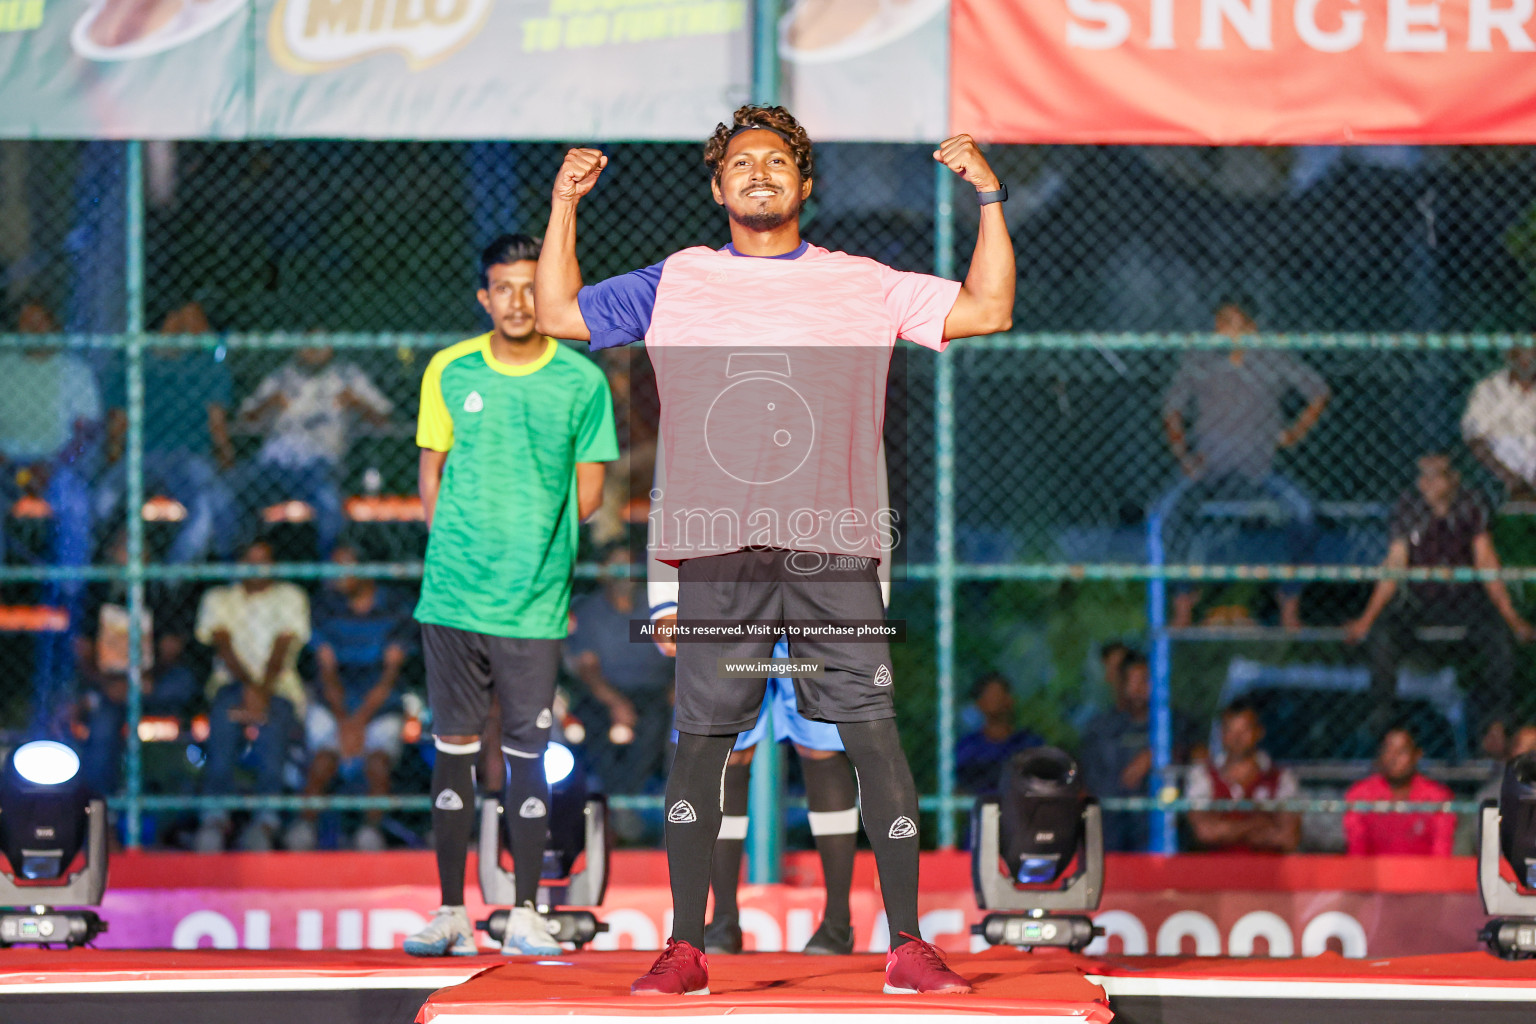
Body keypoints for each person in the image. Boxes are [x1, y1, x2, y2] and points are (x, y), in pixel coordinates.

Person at [535, 104, 1015, 994]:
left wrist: (989, 197)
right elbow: (561, 312)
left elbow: (987, 309)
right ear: (718, 188)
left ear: (806, 183)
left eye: (777, 160)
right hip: (717, 552)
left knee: (872, 737)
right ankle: (686, 946)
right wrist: (566, 203)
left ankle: (906, 943)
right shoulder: (677, 278)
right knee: (701, 746)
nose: (759, 172)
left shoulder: (862, 281)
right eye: (741, 163)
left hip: (836, 548)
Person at [403, 234, 617, 959]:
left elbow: (589, 497)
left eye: (531, 287)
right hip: (453, 600)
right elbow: (430, 471)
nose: (519, 302)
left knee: (530, 756)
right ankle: (449, 914)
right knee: (453, 752)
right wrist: (456, 545)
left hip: (532, 603)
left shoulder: (581, 382)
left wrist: (533, 542)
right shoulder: (449, 368)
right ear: (483, 297)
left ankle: (525, 912)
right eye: (504, 288)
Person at [1155, 296, 1330, 630]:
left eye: (1232, 322)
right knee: (1165, 513)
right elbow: (1171, 410)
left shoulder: (1272, 357)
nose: (1223, 330)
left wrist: (1293, 433)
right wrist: (1184, 456)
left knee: (1304, 512)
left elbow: (1319, 392)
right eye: (1219, 322)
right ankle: (1183, 603)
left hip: (1260, 467)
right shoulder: (1200, 358)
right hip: (1208, 466)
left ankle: (1289, 602)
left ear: (1251, 326)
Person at [1344, 452, 1532, 752]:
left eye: (1435, 475)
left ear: (1453, 478)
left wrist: (1511, 616)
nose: (1426, 483)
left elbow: (1486, 560)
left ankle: (1497, 718)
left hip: (1465, 599)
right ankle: (1384, 711)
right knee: (1383, 630)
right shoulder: (1409, 506)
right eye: (1422, 476)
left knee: (1499, 633)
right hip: (1424, 600)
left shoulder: (1471, 503)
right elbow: (1394, 563)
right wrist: (1366, 619)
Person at [0, 299, 101, 735]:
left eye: (40, 321)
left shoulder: (74, 369)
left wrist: (51, 465)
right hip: (6, 461)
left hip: (54, 464)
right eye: (25, 322)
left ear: (55, 327)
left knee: (75, 501)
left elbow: (87, 430)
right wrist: (10, 466)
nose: (32, 328)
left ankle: (69, 584)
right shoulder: (4, 363)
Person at [285, 544, 416, 852]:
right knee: (322, 760)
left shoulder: (397, 606)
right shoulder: (325, 606)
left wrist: (358, 723)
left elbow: (389, 675)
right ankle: (305, 828)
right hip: (335, 703)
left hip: (379, 703)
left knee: (378, 763)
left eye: (344, 567)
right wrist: (344, 721)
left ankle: (370, 833)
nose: (336, 577)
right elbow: (326, 671)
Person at [95, 300, 237, 564]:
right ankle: (111, 571)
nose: (188, 326)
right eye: (182, 318)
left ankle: (170, 583)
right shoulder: (134, 361)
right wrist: (114, 454)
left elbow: (216, 423)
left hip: (188, 456)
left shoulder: (206, 365)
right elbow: (119, 420)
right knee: (104, 498)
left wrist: (225, 458)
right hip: (142, 454)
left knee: (207, 507)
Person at [192, 538, 310, 852]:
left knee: (274, 732)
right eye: (250, 559)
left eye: (264, 559)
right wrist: (249, 689)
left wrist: (262, 691)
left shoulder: (290, 596)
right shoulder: (219, 598)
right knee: (222, 735)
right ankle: (214, 820)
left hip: (279, 684)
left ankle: (265, 822)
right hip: (232, 683)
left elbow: (284, 647)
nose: (257, 567)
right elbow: (223, 645)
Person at [235, 344, 392, 557]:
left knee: (329, 504)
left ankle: (329, 576)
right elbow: (244, 419)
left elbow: (384, 419)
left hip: (320, 464)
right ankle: (239, 567)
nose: (315, 351)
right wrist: (268, 404)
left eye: (321, 345)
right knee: (231, 494)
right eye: (309, 344)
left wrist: (355, 401)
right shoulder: (282, 376)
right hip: (275, 463)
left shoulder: (347, 375)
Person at [73, 531, 199, 796]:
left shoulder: (159, 593)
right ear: (111, 555)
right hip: (110, 685)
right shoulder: (97, 592)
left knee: (183, 682)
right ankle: (101, 807)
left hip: (150, 682)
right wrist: (107, 683)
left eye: (140, 550)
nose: (132, 557)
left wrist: (147, 677)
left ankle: (170, 793)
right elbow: (82, 651)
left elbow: (170, 650)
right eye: (124, 549)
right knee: (103, 718)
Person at [566, 547, 674, 802]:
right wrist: (615, 702)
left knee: (659, 725)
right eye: (616, 567)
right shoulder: (589, 611)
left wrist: (677, 690)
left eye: (628, 566)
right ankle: (615, 807)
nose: (623, 575)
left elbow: (682, 655)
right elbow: (587, 668)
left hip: (656, 693)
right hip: (606, 694)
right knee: (591, 727)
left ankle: (634, 805)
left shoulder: (657, 608)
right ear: (602, 573)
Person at [1078, 652, 1189, 852]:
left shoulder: (1176, 725)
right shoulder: (1100, 729)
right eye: (1132, 681)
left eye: (1145, 680)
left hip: (1163, 822)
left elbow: (1194, 759)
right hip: (1112, 826)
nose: (1139, 689)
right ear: (1120, 684)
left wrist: (1157, 754)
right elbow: (1095, 785)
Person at [1184, 700, 1300, 853]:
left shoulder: (1282, 778)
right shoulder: (1202, 775)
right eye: (1231, 730)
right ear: (1221, 734)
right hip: (1216, 871)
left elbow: (1288, 838)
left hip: (1266, 872)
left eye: (1244, 730)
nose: (1237, 738)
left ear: (1259, 732)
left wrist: (1225, 829)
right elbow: (1204, 832)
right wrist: (1256, 825)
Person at [1342, 726, 1455, 856]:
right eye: (1388, 751)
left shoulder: (1437, 797)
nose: (1393, 758)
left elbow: (1441, 853)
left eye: (1402, 752)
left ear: (1417, 755)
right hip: (1374, 874)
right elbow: (1357, 852)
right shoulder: (1360, 794)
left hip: (1423, 874)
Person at [1463, 345, 1536, 501]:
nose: (1528, 360)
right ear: (1510, 356)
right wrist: (1511, 479)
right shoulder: (1489, 388)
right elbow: (1474, 439)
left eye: (1533, 354)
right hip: (1501, 464)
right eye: (1520, 354)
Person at [955, 672, 1043, 793]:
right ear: (979, 703)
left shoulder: (1029, 743)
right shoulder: (968, 747)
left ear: (1010, 700)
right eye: (991, 695)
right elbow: (960, 790)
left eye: (1000, 694)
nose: (998, 700)